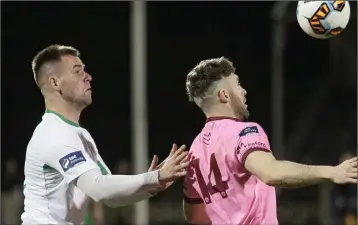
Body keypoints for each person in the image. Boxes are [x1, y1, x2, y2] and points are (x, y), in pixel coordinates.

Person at [21, 44, 189, 225]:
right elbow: (98, 188)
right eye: (78, 72)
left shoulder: (79, 134)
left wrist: (154, 184)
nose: (88, 77)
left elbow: (111, 197)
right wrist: (154, 177)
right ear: (55, 83)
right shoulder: (53, 133)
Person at [182, 57, 357, 225]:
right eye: (237, 85)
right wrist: (332, 172)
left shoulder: (195, 149)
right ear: (224, 96)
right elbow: (272, 173)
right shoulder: (244, 132)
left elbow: (195, 216)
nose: (244, 91)